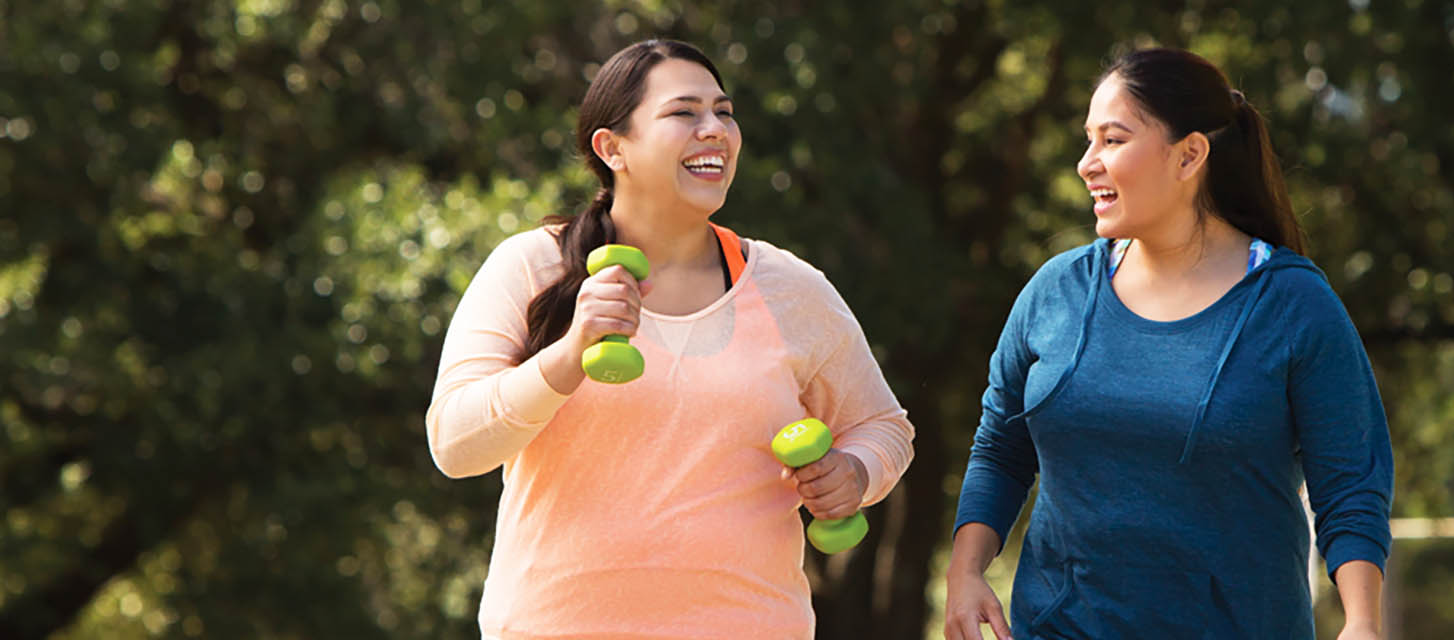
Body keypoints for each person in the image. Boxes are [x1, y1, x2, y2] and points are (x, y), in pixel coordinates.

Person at [425, 39, 913, 639]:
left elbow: (884, 427)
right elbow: (454, 443)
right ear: (612, 148)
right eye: (684, 112)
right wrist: (569, 355)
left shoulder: (791, 288)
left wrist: (856, 472)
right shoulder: (533, 267)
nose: (715, 130)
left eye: (725, 112)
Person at [944, 48, 1393, 640]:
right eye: (1088, 140)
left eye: (1113, 140)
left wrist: (1362, 621)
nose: (1087, 163)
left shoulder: (1293, 305)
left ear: (1189, 156)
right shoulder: (1055, 291)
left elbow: (1350, 483)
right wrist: (965, 571)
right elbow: (1001, 450)